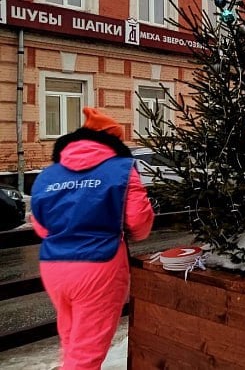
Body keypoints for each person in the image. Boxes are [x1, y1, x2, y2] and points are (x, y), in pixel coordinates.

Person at [30, 107, 155, 370]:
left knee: (72, 338)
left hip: (53, 267)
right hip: (100, 265)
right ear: (112, 141)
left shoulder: (48, 174)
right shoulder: (122, 169)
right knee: (87, 353)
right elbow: (139, 223)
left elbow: (41, 227)